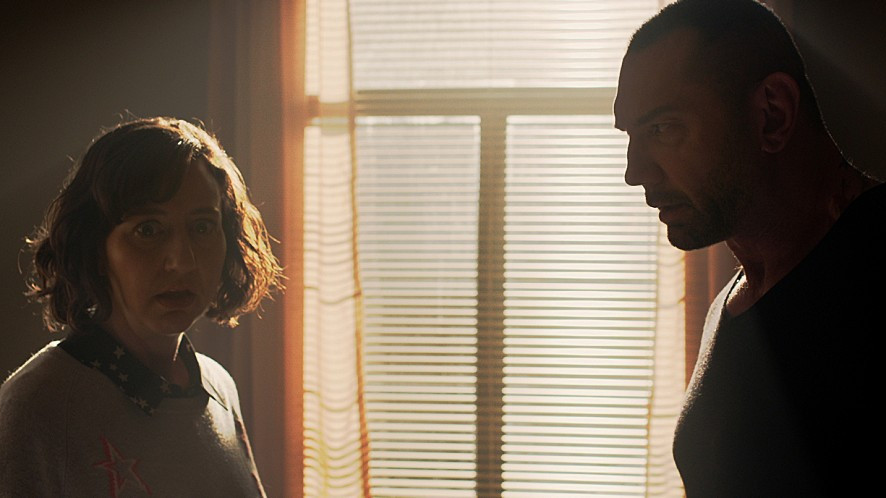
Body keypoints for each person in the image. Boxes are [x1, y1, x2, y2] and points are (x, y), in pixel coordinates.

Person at [614, 0, 884, 495]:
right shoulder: (736, 300)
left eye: (663, 129)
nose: (635, 172)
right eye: (631, 136)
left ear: (771, 115)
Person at [0, 117, 283, 496]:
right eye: (148, 230)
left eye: (202, 227)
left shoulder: (218, 387)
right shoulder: (40, 405)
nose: (182, 261)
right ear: (96, 247)